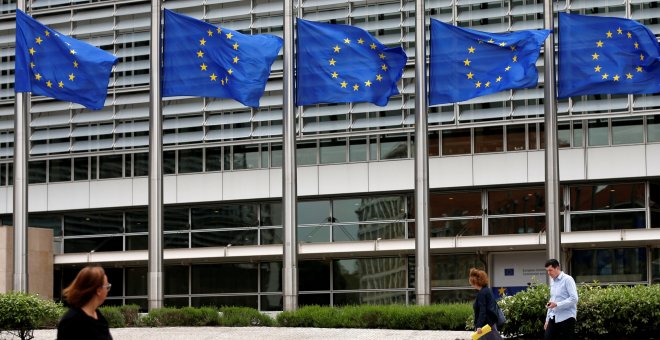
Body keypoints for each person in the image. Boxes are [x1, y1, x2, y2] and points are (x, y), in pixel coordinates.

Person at [57, 266, 113, 340]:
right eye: (107, 287)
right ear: (99, 290)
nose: (107, 291)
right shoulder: (72, 321)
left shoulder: (98, 315)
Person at [544, 259, 578, 340]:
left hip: (567, 317)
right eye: (547, 271)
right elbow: (552, 300)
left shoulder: (568, 279)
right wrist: (547, 320)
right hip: (553, 317)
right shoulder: (552, 281)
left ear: (557, 268)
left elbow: (574, 298)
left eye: (550, 270)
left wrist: (557, 304)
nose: (548, 273)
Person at [469, 268, 503, 340]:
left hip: (485, 326)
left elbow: (482, 311)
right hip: (490, 323)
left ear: (476, 282)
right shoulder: (487, 290)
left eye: (472, 283)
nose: (472, 285)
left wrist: (479, 326)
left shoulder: (482, 294)